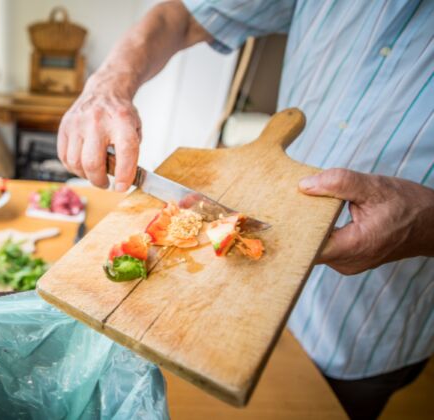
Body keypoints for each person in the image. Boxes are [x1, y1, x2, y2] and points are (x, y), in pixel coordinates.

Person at [57, 1, 434, 418]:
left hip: (367, 322)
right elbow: (178, 16)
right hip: (236, 301)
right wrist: (106, 84)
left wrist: (424, 222)